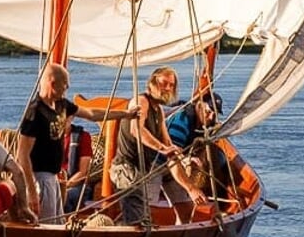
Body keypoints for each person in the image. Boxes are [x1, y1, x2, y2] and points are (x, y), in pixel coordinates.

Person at [15, 63, 131, 221]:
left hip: (53, 178)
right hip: (39, 178)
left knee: (57, 222)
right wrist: (31, 190)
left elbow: (91, 113)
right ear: (52, 83)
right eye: (65, 83)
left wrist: (125, 114)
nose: (67, 86)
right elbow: (22, 155)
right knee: (45, 224)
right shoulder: (35, 113)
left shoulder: (62, 105)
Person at [110, 67, 206, 228]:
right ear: (152, 83)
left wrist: (182, 158)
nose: (167, 88)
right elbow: (136, 129)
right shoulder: (140, 101)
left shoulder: (159, 110)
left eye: (171, 85)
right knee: (137, 221)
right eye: (163, 83)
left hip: (145, 169)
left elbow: (168, 143)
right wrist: (162, 149)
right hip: (127, 168)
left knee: (145, 219)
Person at [62, 122, 96, 214]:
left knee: (65, 196)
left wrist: (64, 187)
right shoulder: (46, 136)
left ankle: (63, 223)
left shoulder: (83, 137)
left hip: (76, 185)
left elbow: (82, 172)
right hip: (52, 182)